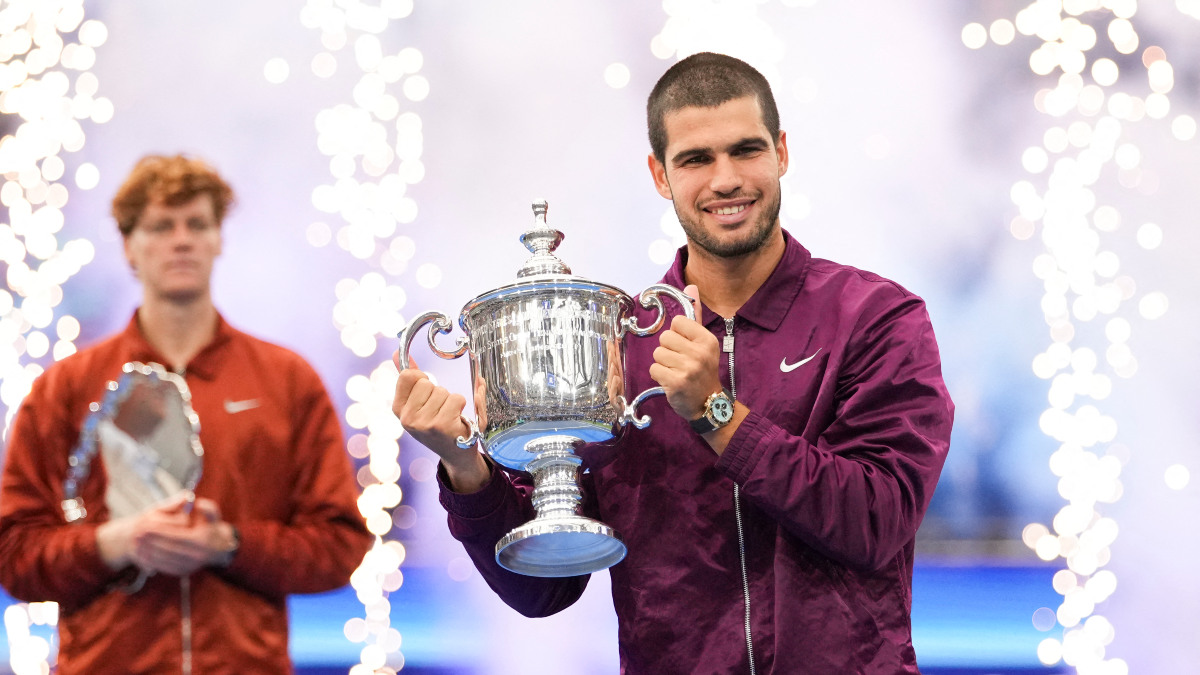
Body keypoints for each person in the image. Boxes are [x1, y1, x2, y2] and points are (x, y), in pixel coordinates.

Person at [392, 52, 954, 674]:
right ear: (660, 174)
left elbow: (876, 522)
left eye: (746, 150)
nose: (726, 179)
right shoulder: (617, 345)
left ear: (782, 153)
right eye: (696, 159)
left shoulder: (874, 317)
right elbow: (545, 587)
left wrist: (718, 415)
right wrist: (465, 467)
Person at [0, 154, 373, 674]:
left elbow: (340, 544)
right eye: (160, 226)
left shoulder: (287, 381)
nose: (181, 240)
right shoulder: (66, 387)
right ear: (129, 246)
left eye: (197, 224)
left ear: (219, 239)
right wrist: (118, 541)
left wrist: (229, 545)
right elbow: (14, 555)